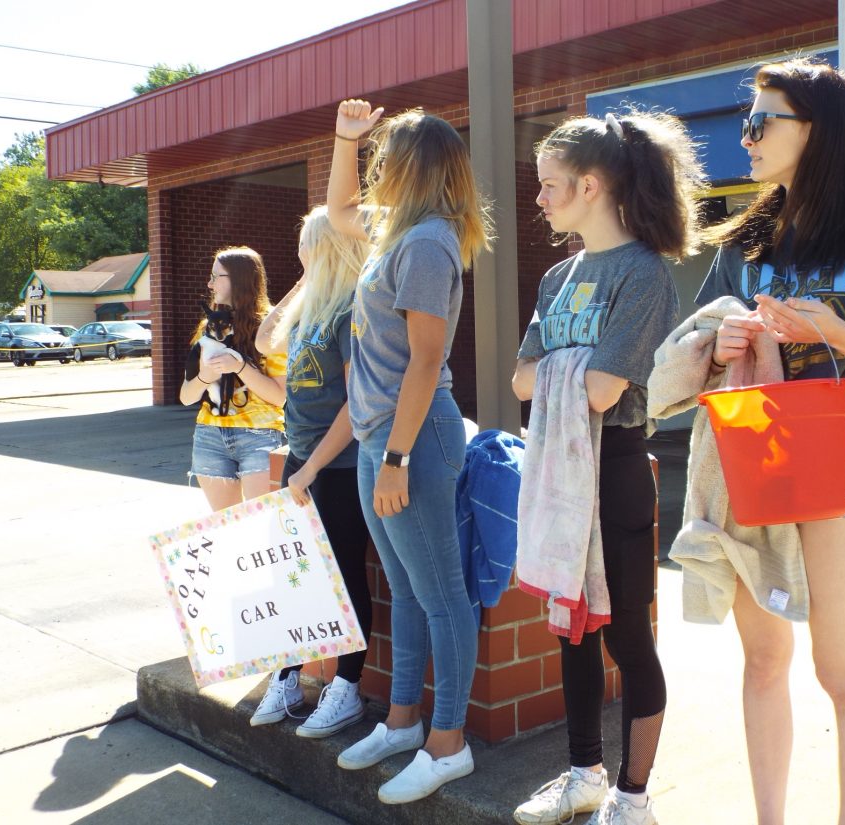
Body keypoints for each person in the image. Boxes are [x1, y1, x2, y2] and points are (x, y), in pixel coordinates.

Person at [697, 58, 845, 824]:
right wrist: (723, 336)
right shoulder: (750, 234)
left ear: (818, 128)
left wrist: (836, 330)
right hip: (752, 470)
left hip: (841, 477)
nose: (748, 135)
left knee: (844, 675)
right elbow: (699, 345)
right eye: (747, 121)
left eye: (763, 120)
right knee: (764, 661)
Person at [511, 110, 705, 825]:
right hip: (564, 470)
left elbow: (597, 392)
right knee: (572, 625)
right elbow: (520, 382)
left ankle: (631, 795)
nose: (539, 199)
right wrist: (576, 367)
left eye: (550, 185)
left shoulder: (645, 274)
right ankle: (583, 773)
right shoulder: (559, 276)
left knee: (626, 635)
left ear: (590, 186)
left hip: (617, 466)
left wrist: (566, 368)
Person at [325, 99, 492, 804]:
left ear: (412, 168)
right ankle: (402, 722)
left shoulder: (426, 242)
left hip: (411, 440)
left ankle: (448, 744)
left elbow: (427, 360)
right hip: (379, 438)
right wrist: (343, 137)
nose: (375, 166)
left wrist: (394, 460)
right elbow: (337, 213)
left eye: (383, 155)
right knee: (408, 590)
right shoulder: (397, 234)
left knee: (442, 593)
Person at [248, 205, 374, 738]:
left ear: (325, 248)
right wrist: (306, 279)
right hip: (302, 459)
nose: (296, 252)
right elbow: (263, 341)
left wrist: (311, 469)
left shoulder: (351, 311)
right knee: (293, 573)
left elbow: (355, 405)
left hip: (338, 465)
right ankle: (289, 674)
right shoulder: (310, 308)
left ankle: (346, 686)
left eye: (305, 244)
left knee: (342, 574)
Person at [179, 247, 287, 511]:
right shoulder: (210, 326)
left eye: (216, 276)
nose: (209, 283)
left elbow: (279, 397)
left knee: (262, 526)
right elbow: (186, 397)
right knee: (226, 527)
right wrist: (205, 376)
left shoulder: (272, 326)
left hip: (260, 435)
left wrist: (240, 367)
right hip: (210, 436)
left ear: (239, 279)